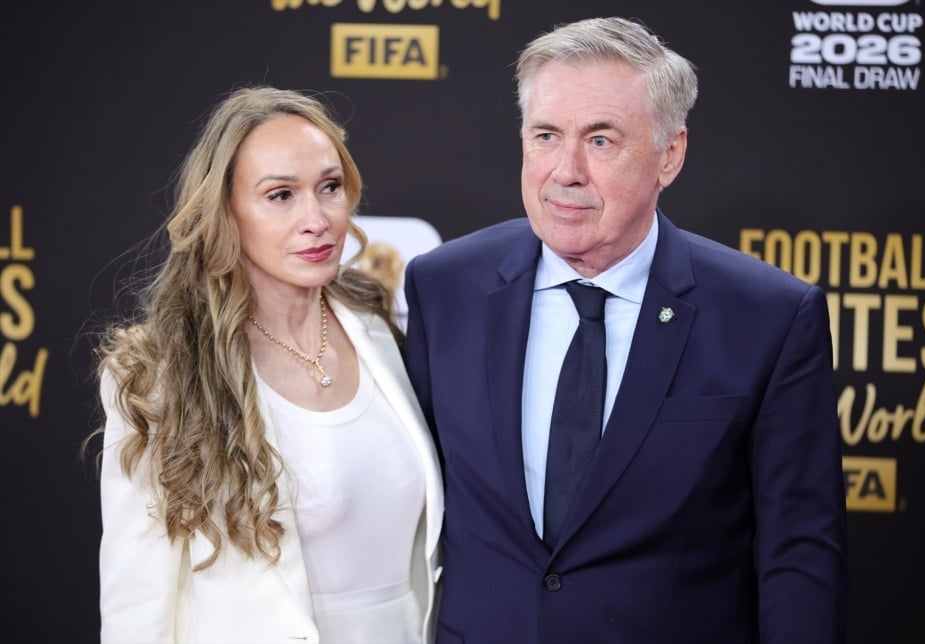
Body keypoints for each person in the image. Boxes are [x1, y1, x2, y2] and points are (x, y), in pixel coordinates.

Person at [403, 17, 847, 644]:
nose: (566, 171)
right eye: (546, 136)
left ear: (671, 154)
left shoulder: (770, 316)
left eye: (602, 140)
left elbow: (800, 552)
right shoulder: (443, 287)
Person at [94, 86, 443, 643]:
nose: (318, 219)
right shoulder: (160, 375)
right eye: (280, 195)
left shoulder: (379, 328)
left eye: (329, 187)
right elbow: (139, 608)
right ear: (225, 210)